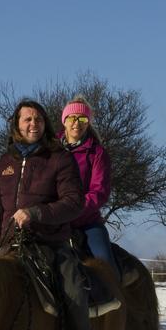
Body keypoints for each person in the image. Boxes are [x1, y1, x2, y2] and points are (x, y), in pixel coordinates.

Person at [0, 99, 103, 330]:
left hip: (50, 244)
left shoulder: (59, 158)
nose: (33, 124)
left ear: (45, 124)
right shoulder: (6, 162)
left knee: (73, 290)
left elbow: (73, 202)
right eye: (27, 119)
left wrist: (36, 213)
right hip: (8, 248)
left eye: (38, 119)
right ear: (16, 124)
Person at [59, 96, 118, 279]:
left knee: (107, 267)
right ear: (64, 121)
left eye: (82, 119)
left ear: (88, 123)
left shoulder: (98, 153)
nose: (77, 123)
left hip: (87, 223)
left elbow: (99, 192)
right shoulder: (50, 149)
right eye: (72, 118)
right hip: (52, 221)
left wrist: (72, 210)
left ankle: (116, 301)